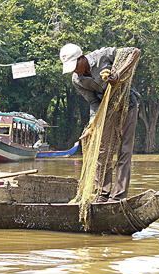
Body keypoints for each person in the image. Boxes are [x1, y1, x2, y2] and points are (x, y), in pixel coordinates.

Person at [60, 43, 141, 203]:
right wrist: (92, 125)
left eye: (75, 66)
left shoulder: (103, 55)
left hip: (127, 103)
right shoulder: (77, 80)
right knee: (102, 152)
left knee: (124, 150)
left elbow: (135, 52)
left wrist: (117, 74)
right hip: (106, 111)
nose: (75, 71)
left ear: (82, 58)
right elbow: (93, 102)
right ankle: (103, 195)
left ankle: (118, 196)